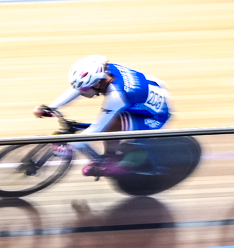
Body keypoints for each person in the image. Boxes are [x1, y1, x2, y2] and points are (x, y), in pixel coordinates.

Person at [33, 55, 173, 176]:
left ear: (98, 83)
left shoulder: (117, 96)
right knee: (111, 119)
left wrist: (71, 146)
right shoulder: (106, 71)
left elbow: (97, 129)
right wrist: (52, 107)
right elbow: (78, 89)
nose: (82, 92)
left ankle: (112, 161)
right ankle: (112, 155)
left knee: (110, 125)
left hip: (155, 117)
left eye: (86, 89)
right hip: (148, 95)